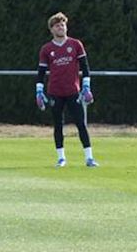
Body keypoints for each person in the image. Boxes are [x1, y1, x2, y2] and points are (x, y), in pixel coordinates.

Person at [35, 12, 99, 168]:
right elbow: (41, 72)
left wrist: (86, 86)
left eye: (63, 25)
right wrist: (39, 91)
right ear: (52, 29)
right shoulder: (46, 49)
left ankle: (89, 157)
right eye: (57, 25)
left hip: (73, 91)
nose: (61, 27)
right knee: (58, 125)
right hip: (55, 92)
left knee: (81, 124)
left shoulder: (75, 44)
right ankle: (61, 158)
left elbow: (85, 67)